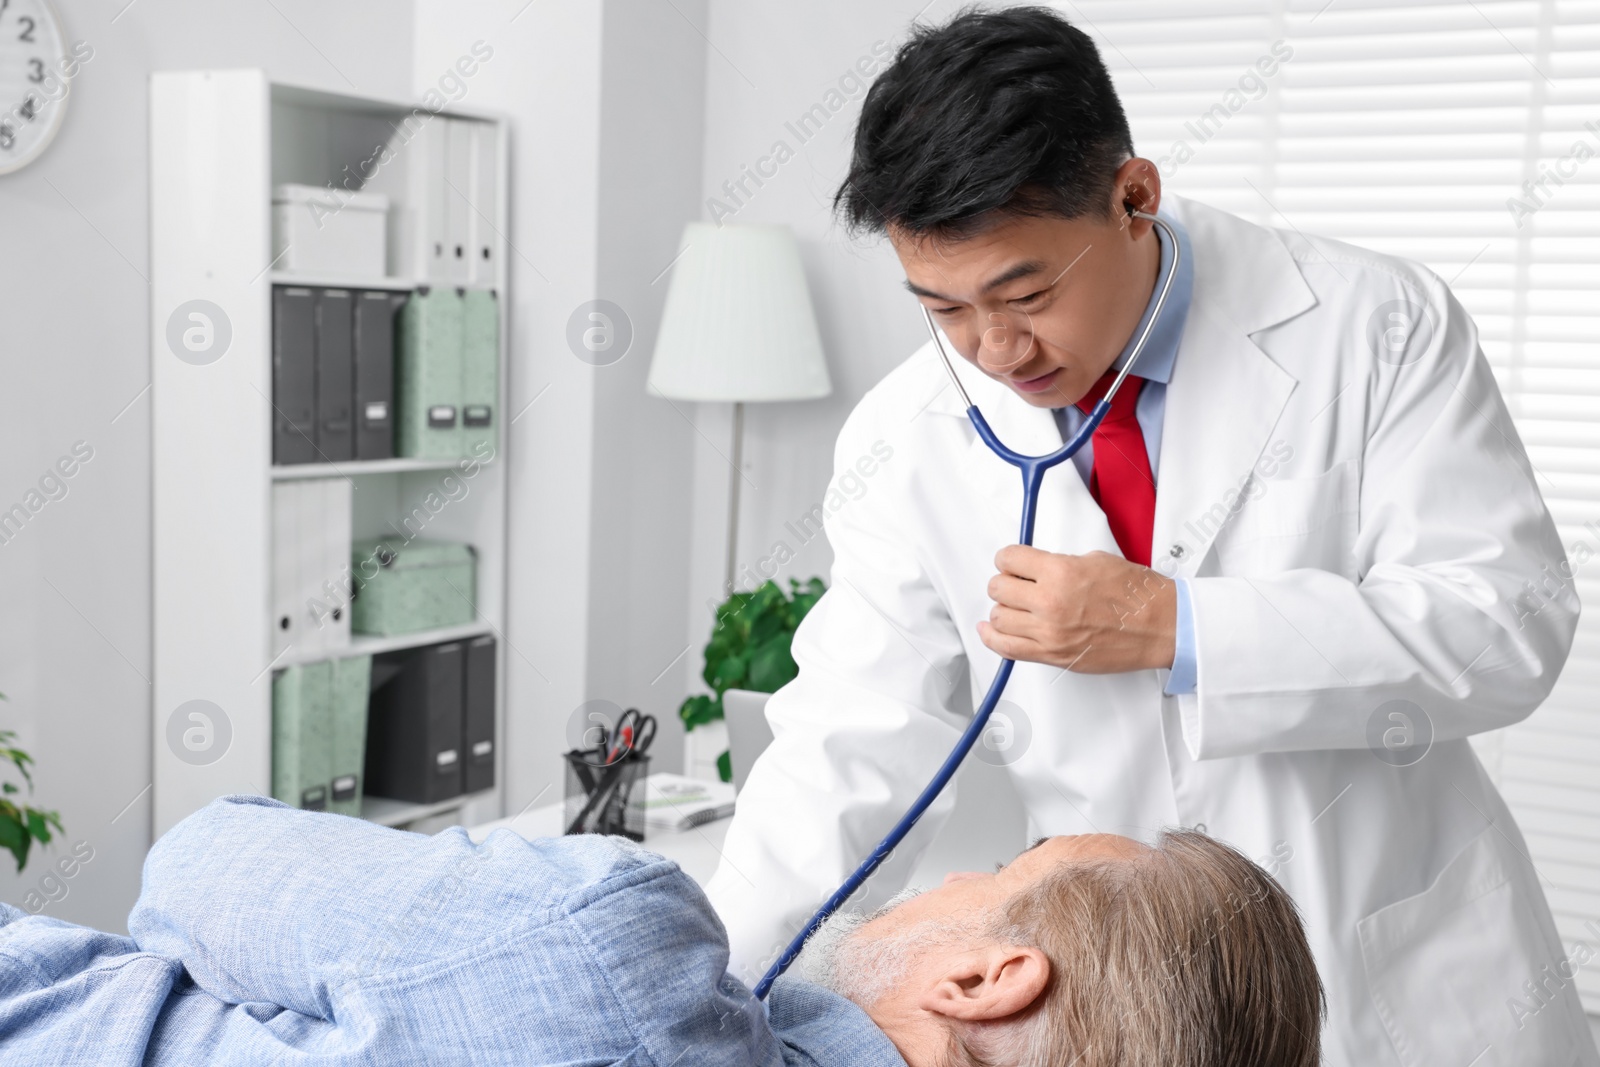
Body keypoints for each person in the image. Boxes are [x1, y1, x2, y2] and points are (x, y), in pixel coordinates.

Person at [704, 8, 1598, 1067]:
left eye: (1025, 292)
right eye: (942, 309)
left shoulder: (1376, 325)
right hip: (1137, 1008)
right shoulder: (907, 437)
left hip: (1397, 964)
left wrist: (1178, 626)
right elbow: (845, 745)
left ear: (1134, 197)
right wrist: (710, 994)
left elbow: (1508, 628)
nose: (993, 349)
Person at [0, 796, 1322, 1066]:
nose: (936, 878)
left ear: (986, 975)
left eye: (992, 862)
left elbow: (194, 860)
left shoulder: (609, 952)